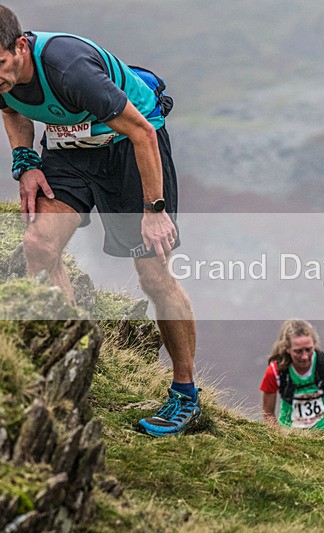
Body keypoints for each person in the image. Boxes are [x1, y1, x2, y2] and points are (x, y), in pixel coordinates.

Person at [0, 6, 199, 436]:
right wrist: (25, 161)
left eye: (0, 63)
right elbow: (12, 108)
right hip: (69, 152)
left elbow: (143, 132)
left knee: (153, 274)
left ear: (20, 47)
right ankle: (69, 370)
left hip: (129, 148)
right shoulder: (3, 77)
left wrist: (155, 211)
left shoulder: (69, 70)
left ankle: (186, 394)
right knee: (39, 245)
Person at [260, 319, 324, 430]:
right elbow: (268, 412)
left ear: (314, 344)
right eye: (298, 351)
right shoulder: (275, 372)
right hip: (290, 433)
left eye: (308, 349)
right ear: (287, 349)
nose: (305, 356)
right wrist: (279, 436)